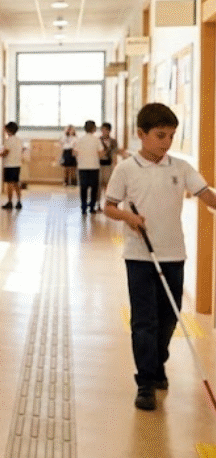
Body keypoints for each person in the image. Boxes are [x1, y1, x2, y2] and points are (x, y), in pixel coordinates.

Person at [103, 103, 216, 411]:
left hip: (174, 254)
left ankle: (157, 363)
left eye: (171, 136)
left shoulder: (180, 168)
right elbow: (109, 206)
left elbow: (207, 194)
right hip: (140, 257)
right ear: (142, 134)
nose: (166, 142)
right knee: (144, 321)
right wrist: (130, 219)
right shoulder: (126, 169)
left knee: (169, 317)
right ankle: (145, 383)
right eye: (160, 135)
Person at [73, 120, 102, 214]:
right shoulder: (96, 140)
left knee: (83, 188)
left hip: (82, 167)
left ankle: (84, 207)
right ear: (94, 129)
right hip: (94, 167)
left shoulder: (79, 139)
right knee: (94, 188)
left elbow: (74, 153)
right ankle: (92, 207)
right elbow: (101, 154)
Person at [0, 121, 24, 209]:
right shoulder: (19, 140)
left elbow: (6, 153)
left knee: (10, 185)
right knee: (16, 183)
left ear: (8, 130)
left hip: (9, 165)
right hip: (17, 164)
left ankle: (10, 202)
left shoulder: (8, 141)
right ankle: (19, 202)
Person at [98, 122, 122, 200]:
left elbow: (115, 153)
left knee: (108, 184)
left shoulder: (113, 141)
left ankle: (107, 201)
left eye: (105, 130)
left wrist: (115, 166)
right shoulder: (98, 140)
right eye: (102, 130)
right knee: (99, 184)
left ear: (109, 131)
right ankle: (98, 204)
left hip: (109, 164)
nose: (103, 132)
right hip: (99, 164)